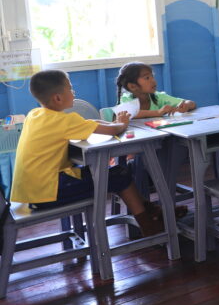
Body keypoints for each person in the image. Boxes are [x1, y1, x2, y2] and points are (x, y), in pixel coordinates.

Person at [10, 70, 165, 235]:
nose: (73, 93)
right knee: (119, 175)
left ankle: (151, 211)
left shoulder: (35, 115)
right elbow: (114, 130)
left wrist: (111, 123)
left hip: (32, 192)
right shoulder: (65, 120)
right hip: (50, 192)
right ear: (58, 98)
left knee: (115, 173)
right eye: (70, 89)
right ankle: (148, 224)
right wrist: (122, 123)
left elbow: (88, 123)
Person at [115, 62, 196, 118]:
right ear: (132, 86)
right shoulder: (126, 99)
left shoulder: (158, 97)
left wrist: (186, 105)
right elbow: (130, 113)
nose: (153, 81)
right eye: (147, 78)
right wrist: (157, 112)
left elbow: (191, 103)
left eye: (152, 76)